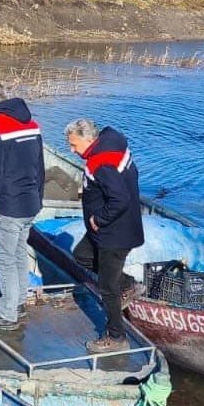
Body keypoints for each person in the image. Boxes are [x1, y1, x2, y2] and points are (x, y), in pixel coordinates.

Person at [64, 118, 144, 354]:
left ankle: (116, 336)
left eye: (74, 145)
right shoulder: (112, 143)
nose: (71, 150)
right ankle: (128, 283)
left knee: (107, 287)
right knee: (82, 255)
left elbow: (120, 198)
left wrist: (99, 219)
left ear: (89, 140)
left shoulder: (101, 163)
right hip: (110, 229)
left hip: (114, 233)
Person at [0, 83, 45, 331]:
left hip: (7, 205)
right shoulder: (31, 124)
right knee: (18, 255)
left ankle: (6, 315)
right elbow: (40, 165)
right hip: (30, 203)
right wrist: (39, 198)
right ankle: (17, 303)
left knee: (4, 260)